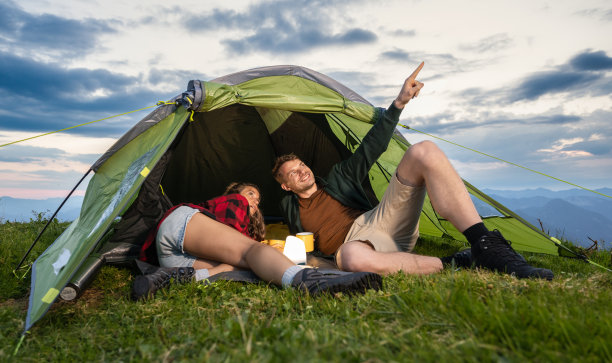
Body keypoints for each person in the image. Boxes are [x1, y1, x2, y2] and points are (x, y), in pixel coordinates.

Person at [272, 62, 553, 280]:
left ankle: (487, 245)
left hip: (379, 221)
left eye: (301, 165)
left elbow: (371, 147)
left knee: (424, 151)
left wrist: (399, 104)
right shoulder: (289, 208)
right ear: (285, 186)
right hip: (356, 248)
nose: (301, 172)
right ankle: (457, 262)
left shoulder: (337, 178)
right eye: (292, 173)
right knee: (350, 257)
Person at [132, 182, 382, 300]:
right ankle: (307, 280)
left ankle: (168, 279)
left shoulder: (245, 224)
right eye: (250, 193)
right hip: (181, 224)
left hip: (173, 259)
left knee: (238, 266)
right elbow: (244, 246)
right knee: (252, 252)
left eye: (258, 199)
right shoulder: (234, 202)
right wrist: (263, 250)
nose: (254, 200)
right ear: (234, 192)